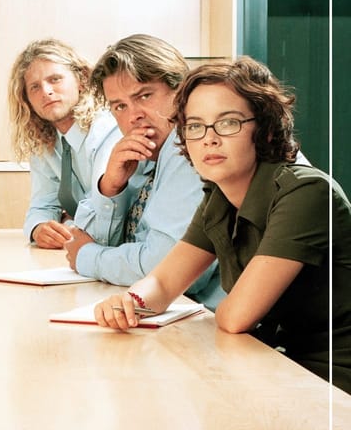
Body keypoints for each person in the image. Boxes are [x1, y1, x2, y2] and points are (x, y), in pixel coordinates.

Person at [94, 56, 351, 392]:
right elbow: (162, 281)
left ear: (266, 127)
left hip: (332, 378)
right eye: (195, 126)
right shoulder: (219, 196)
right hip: (277, 363)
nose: (208, 139)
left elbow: (235, 317)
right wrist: (131, 302)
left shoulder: (306, 191)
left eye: (227, 123)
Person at [64, 34, 222, 308]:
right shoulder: (142, 153)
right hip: (178, 312)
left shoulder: (192, 144)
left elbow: (171, 271)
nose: (133, 115)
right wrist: (111, 188)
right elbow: (85, 239)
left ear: (181, 92)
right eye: (120, 106)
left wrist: (89, 257)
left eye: (145, 96)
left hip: (230, 327)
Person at [7, 38, 119, 249]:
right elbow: (42, 204)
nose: (46, 92)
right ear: (27, 100)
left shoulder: (105, 129)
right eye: (34, 87)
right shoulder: (44, 141)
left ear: (81, 80)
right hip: (77, 251)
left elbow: (102, 207)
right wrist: (39, 228)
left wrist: (68, 222)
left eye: (55, 79)